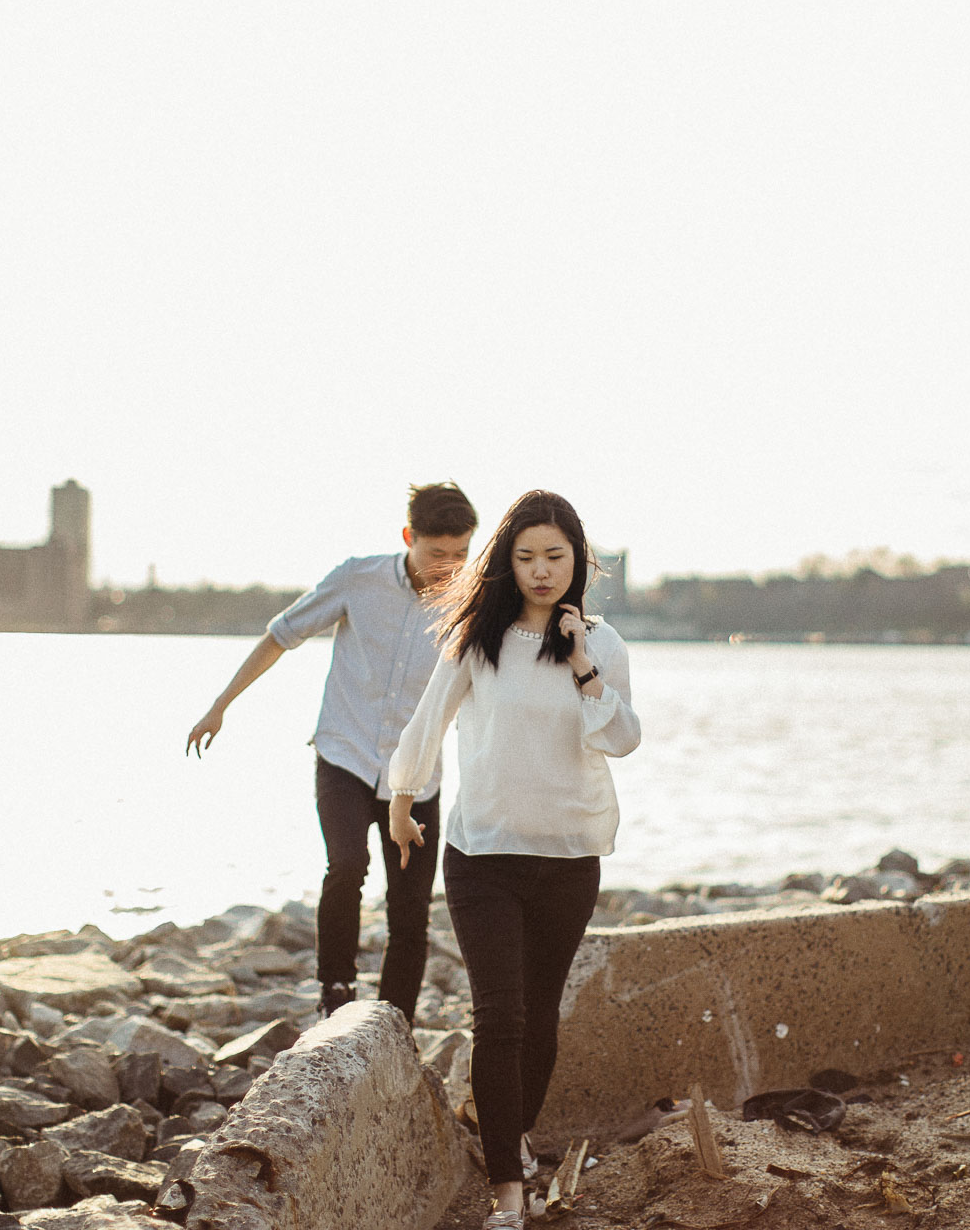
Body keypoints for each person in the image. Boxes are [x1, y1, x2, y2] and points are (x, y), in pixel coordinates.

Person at [387, 490, 640, 1228]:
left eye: (554, 556)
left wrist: (585, 664)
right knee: (499, 1016)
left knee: (540, 1016)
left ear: (576, 561)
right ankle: (507, 1193)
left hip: (569, 855)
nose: (539, 570)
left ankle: (514, 1134)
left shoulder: (605, 643)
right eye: (525, 556)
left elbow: (621, 739)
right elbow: (428, 719)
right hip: (483, 854)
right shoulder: (478, 638)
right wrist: (402, 799)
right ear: (505, 561)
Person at [186, 482, 476, 1021]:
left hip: (417, 777)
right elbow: (281, 635)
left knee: (410, 913)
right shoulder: (357, 578)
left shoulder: (471, 604)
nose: (449, 567)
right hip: (345, 754)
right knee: (346, 865)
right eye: (438, 553)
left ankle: (394, 1025)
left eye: (461, 554)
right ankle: (335, 991)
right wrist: (219, 705)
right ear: (410, 537)